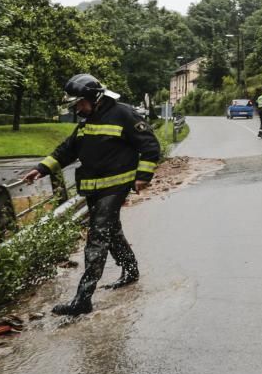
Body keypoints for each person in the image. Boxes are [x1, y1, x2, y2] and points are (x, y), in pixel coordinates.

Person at [23, 74, 161, 316]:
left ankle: (83, 298)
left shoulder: (124, 114)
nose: (77, 108)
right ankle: (130, 271)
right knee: (112, 232)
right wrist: (41, 169)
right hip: (93, 188)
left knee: (97, 237)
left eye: (79, 103)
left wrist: (142, 177)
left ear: (94, 97)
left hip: (115, 187)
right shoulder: (87, 121)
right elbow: (67, 150)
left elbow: (150, 146)